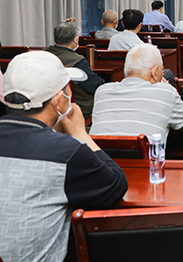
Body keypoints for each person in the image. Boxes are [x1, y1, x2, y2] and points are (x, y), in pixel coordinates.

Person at [0, 51, 128, 262]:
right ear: (58, 101)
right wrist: (80, 134)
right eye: (68, 87)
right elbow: (115, 184)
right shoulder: (65, 152)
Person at [90, 44, 183, 143]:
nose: (162, 74)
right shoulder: (166, 92)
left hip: (99, 155)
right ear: (154, 72)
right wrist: (165, 88)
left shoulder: (102, 91)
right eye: (162, 70)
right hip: (145, 155)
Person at [44, 22, 105, 117]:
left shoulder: (44, 54)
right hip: (78, 106)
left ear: (54, 37)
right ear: (76, 40)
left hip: (47, 105)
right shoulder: (77, 61)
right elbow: (93, 86)